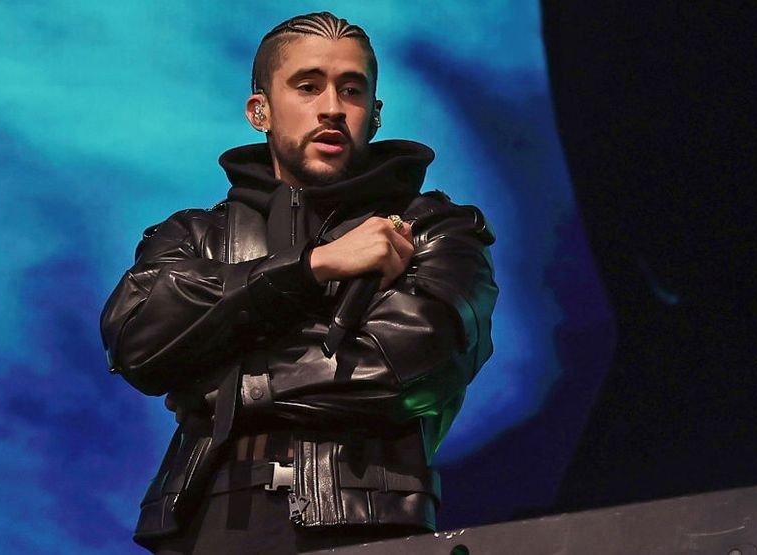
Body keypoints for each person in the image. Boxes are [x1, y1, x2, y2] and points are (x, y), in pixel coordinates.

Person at [100, 11, 498, 555]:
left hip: (366, 523)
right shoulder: (193, 235)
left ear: (375, 114)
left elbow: (409, 368)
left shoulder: (434, 228)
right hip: (202, 527)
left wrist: (220, 382)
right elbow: (138, 343)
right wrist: (313, 268)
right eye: (308, 86)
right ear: (259, 110)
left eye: (352, 90)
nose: (332, 108)